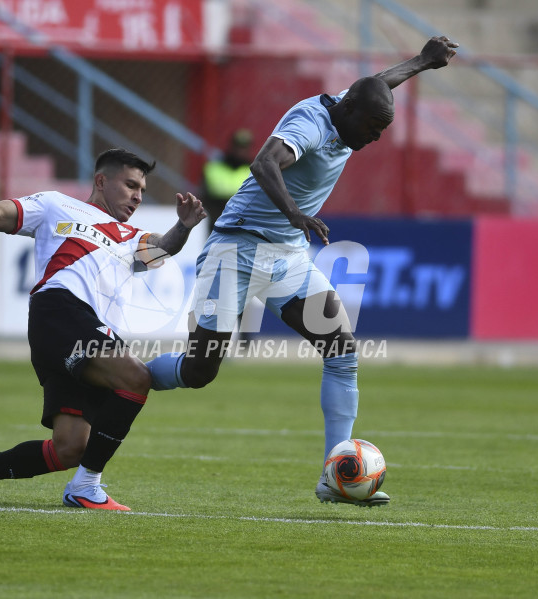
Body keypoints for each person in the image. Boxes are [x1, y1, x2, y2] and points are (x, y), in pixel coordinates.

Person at [146, 36, 459, 507]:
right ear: (350, 110)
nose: (374, 138)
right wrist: (295, 213)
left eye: (381, 130)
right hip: (236, 250)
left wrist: (421, 62)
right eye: (373, 128)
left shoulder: (354, 111)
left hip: (287, 258)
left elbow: (377, 86)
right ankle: (123, 375)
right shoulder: (310, 124)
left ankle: (334, 477)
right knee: (199, 370)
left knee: (342, 352)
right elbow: (264, 161)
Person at [0, 116, 206, 510]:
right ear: (101, 181)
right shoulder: (54, 205)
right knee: (136, 377)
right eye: (130, 185)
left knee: (69, 448)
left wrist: (183, 227)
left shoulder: (132, 238)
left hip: (85, 332)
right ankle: (87, 486)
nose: (137, 196)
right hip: (60, 313)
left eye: (142, 190)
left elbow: (165, 247)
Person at [202, 128, 254, 232]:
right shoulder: (213, 167)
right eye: (238, 146)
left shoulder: (253, 170)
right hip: (216, 219)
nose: (241, 151)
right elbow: (205, 195)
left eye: (244, 147)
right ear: (232, 146)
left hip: (243, 223)